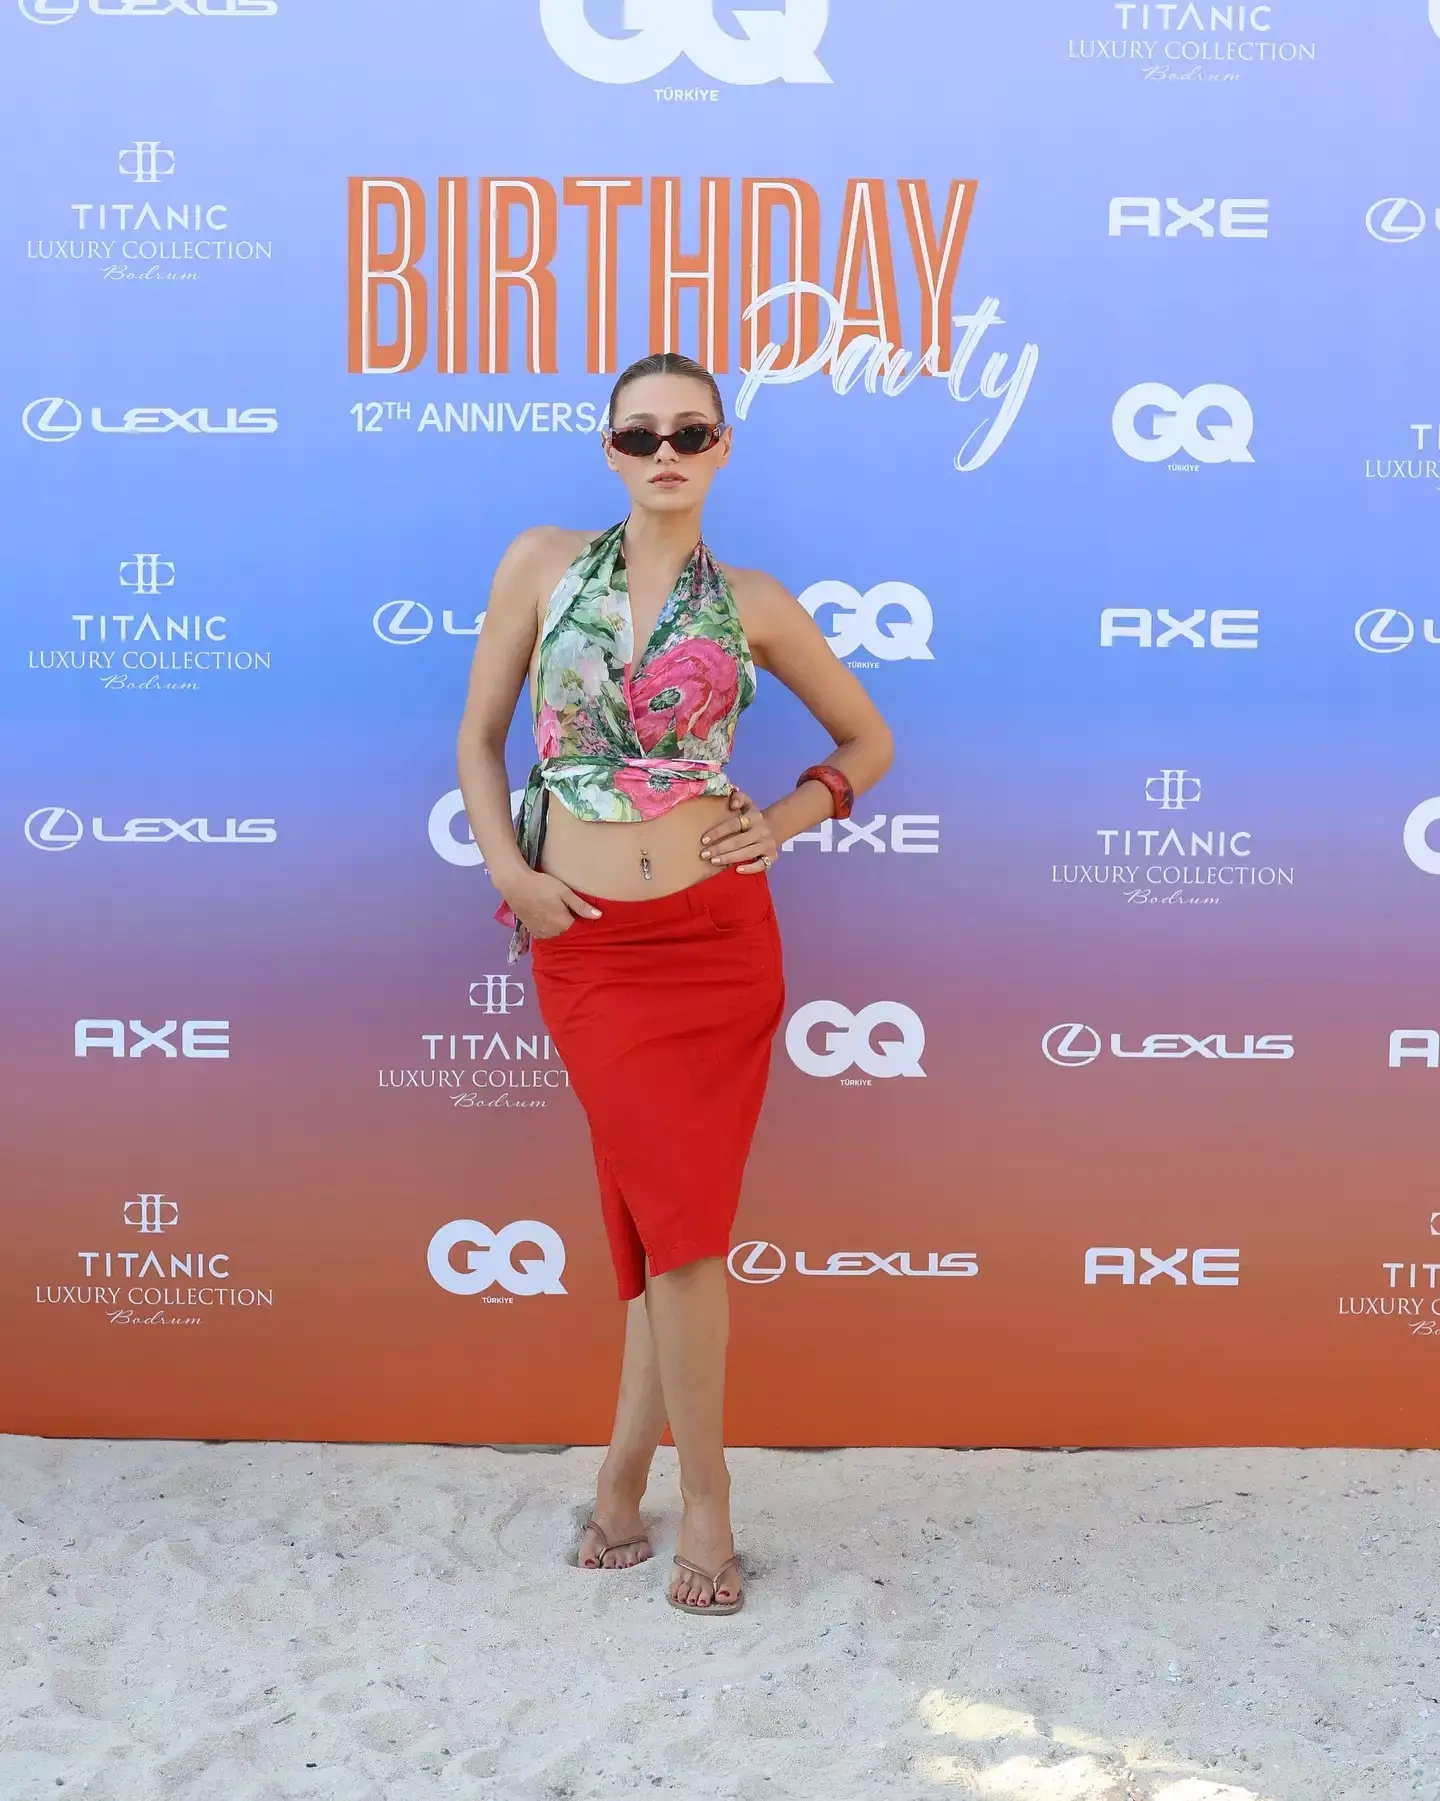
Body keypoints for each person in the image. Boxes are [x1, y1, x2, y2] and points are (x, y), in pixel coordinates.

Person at [455, 351, 893, 1614]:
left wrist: (791, 815)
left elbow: (867, 737)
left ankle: (654, 1486)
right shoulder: (540, 564)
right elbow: (480, 737)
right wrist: (512, 873)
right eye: (641, 433)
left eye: (689, 433)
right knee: (675, 1228)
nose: (665, 452)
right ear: (609, 450)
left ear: (721, 448)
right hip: (588, 941)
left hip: (718, 942)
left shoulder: (752, 602)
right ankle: (688, 1488)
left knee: (675, 1229)